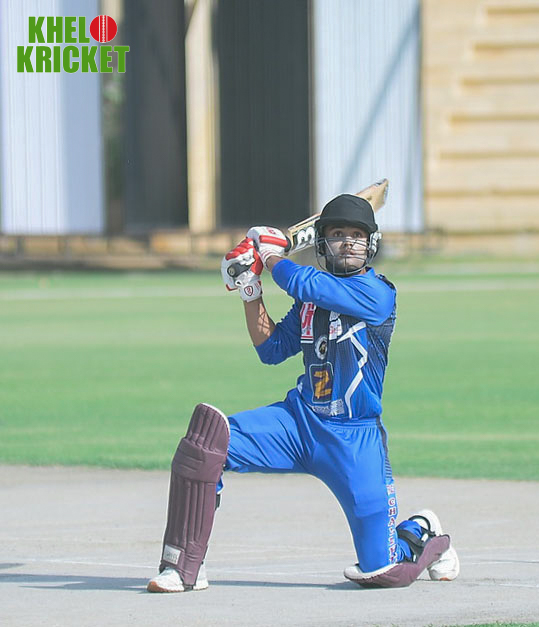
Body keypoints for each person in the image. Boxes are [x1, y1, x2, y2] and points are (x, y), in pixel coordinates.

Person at [147, 193, 459, 592]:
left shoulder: (377, 293)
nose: (348, 242)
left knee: (383, 573)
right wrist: (249, 288)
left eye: (357, 236)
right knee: (205, 445)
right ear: (322, 242)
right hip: (299, 423)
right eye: (338, 234)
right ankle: (183, 567)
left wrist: (269, 254)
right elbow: (271, 348)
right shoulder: (310, 300)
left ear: (371, 244)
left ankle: (422, 533)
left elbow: (302, 281)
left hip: (354, 440)